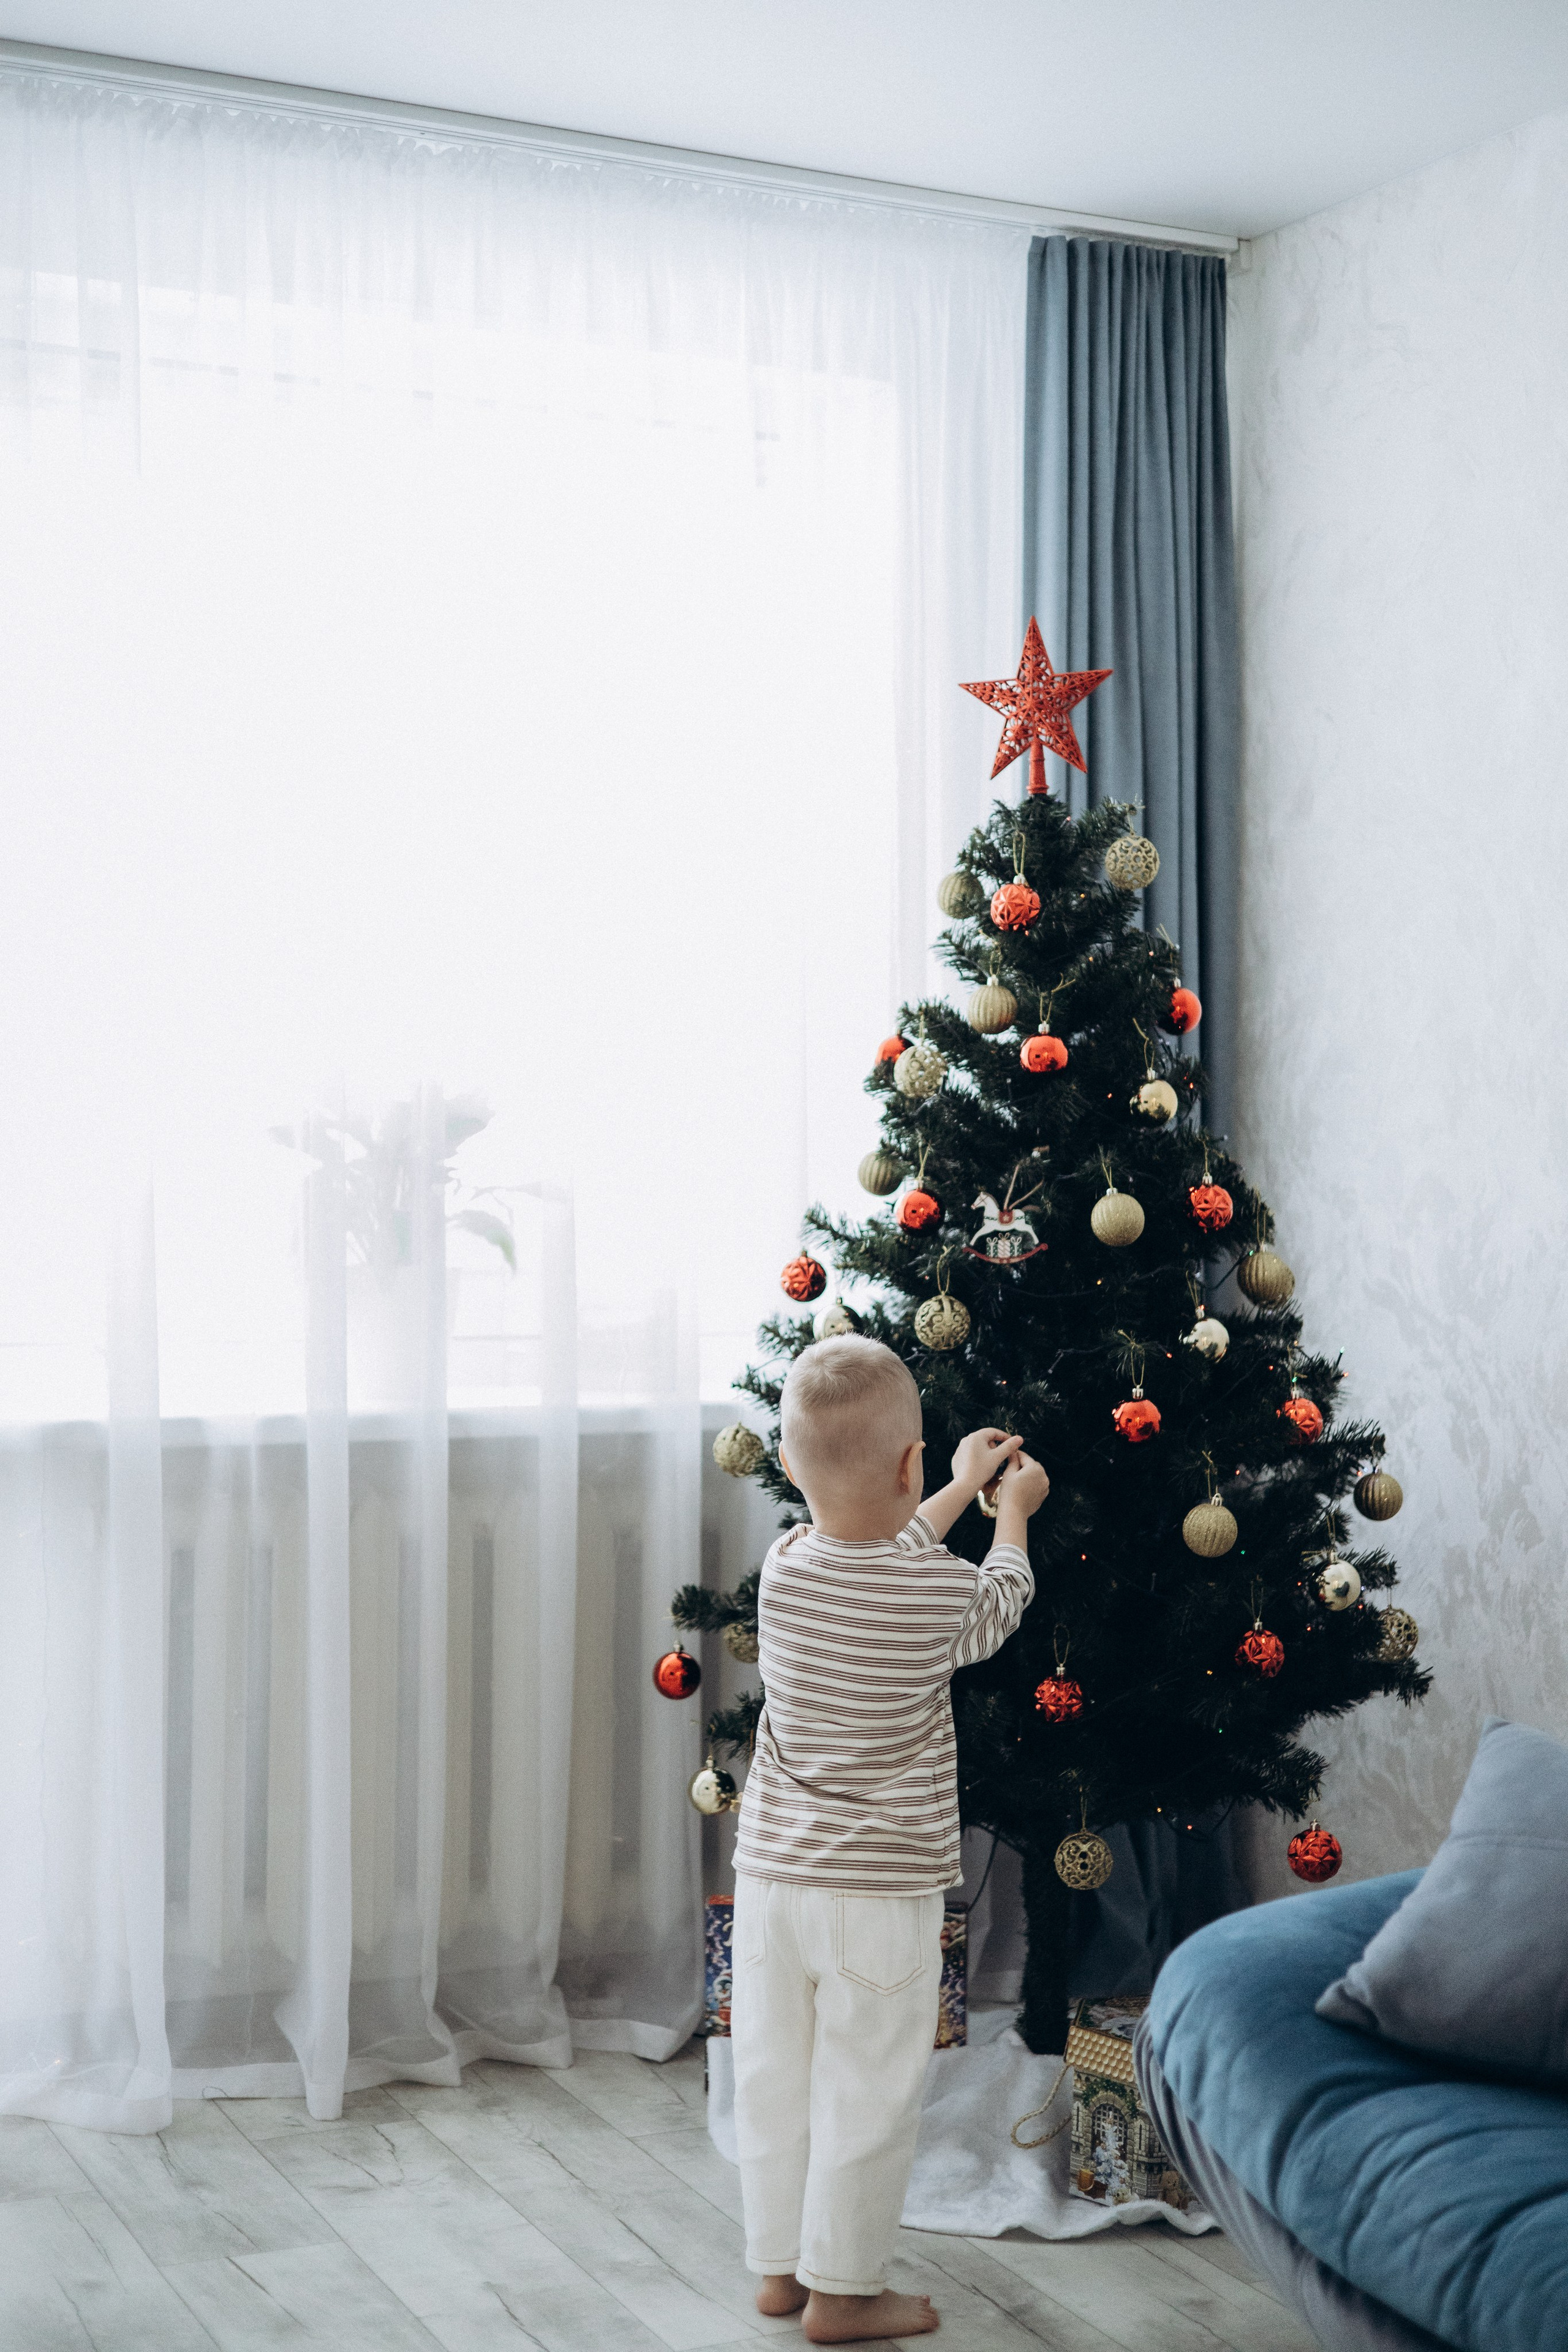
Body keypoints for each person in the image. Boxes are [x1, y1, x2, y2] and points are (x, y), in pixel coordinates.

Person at [730, 1334, 1047, 2343]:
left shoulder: (783, 1568)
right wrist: (1009, 1517)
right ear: (908, 1463)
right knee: (867, 2094)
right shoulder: (937, 1596)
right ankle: (844, 2292)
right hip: (878, 1896)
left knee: (774, 2081)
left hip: (774, 1886)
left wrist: (952, 1489)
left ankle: (778, 2273)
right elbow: (998, 1599)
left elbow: (883, 1541)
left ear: (788, 1467)